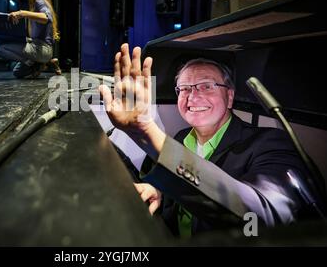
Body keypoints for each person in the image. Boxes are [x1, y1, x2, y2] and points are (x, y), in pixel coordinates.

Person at [99, 43, 325, 237]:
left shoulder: (270, 143)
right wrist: (157, 190)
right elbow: (177, 185)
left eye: (206, 86)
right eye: (184, 89)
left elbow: (259, 222)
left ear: (229, 97)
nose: (192, 96)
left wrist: (147, 130)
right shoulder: (179, 138)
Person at [0, 0, 61, 79]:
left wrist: (22, 13)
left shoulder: (40, 1)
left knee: (1, 47)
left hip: (42, 49)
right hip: (40, 48)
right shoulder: (39, 5)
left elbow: (47, 18)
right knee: (17, 72)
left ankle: (40, 63)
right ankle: (47, 62)